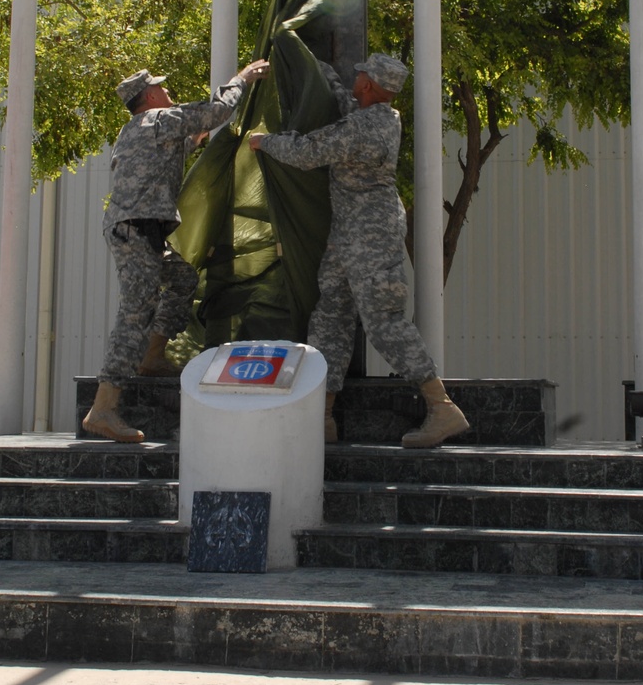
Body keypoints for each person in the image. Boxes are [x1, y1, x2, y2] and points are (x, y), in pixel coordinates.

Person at [250, 52, 469, 449]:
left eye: (360, 75)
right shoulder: (378, 116)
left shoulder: (364, 128)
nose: (356, 80)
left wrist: (264, 142)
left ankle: (441, 407)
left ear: (368, 85)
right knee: (330, 318)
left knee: (384, 321)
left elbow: (307, 153)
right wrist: (322, 70)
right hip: (349, 234)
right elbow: (346, 101)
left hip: (370, 235)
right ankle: (323, 417)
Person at [84, 59, 269, 443]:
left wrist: (199, 138)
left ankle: (153, 355)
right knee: (135, 313)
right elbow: (215, 111)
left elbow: (187, 140)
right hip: (138, 231)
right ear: (150, 97)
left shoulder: (139, 129)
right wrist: (241, 80)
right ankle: (103, 407)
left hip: (142, 231)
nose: (169, 94)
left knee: (182, 278)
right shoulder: (158, 120)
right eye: (163, 90)